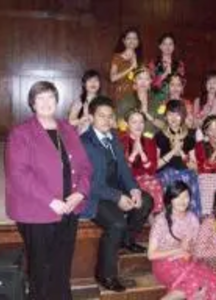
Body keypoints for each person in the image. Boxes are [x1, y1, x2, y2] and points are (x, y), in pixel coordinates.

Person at [5, 81, 92, 300]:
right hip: (36, 211)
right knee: (41, 268)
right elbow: (19, 175)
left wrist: (80, 193)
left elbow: (85, 167)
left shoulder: (67, 129)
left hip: (69, 208)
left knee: (62, 263)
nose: (46, 103)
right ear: (32, 104)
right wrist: (52, 201)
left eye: (50, 97)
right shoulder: (20, 133)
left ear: (56, 100)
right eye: (40, 98)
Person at [80, 96, 153, 292]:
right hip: (92, 195)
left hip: (113, 189)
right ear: (91, 117)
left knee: (145, 201)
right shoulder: (85, 143)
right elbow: (90, 184)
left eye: (109, 116)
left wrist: (133, 189)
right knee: (116, 222)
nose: (105, 120)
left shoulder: (113, 137)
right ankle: (105, 274)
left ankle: (127, 241)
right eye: (101, 116)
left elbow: (123, 169)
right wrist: (117, 197)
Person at [148, 181, 216, 300]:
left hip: (188, 261)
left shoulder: (192, 217)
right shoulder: (161, 220)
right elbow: (151, 255)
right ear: (170, 199)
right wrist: (177, 250)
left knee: (212, 281)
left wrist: (191, 248)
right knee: (196, 284)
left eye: (186, 197)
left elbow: (198, 246)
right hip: (165, 263)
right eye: (178, 197)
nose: (183, 201)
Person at [155, 100, 202, 217]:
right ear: (165, 116)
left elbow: (195, 166)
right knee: (173, 175)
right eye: (170, 114)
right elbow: (155, 166)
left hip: (185, 171)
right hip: (166, 172)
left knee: (189, 176)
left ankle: (191, 218)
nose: (174, 118)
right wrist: (172, 152)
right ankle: (170, 217)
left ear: (183, 116)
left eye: (177, 114)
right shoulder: (159, 136)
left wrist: (181, 152)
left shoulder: (190, 136)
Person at [120, 108, 164, 214]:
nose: (138, 125)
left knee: (154, 184)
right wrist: (134, 153)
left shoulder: (149, 141)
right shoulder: (121, 141)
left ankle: (156, 218)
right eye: (134, 122)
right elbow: (120, 169)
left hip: (146, 178)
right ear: (127, 124)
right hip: (127, 179)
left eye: (141, 122)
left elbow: (152, 170)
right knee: (148, 187)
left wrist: (143, 155)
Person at [116, 67, 165, 137]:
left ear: (150, 81)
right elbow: (117, 121)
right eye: (140, 78)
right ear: (135, 80)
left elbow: (164, 125)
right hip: (130, 140)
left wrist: (150, 117)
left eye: (146, 79)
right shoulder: (126, 100)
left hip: (152, 140)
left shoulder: (157, 101)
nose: (143, 82)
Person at [148, 33, 185, 102]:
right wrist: (164, 75)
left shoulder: (179, 64)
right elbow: (150, 85)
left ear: (174, 47)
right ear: (160, 46)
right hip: (157, 98)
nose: (168, 47)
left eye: (170, 44)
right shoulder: (153, 63)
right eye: (165, 44)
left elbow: (182, 84)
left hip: (174, 98)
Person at [110, 27, 143, 101]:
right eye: (129, 38)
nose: (132, 41)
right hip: (121, 95)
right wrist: (131, 68)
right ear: (124, 41)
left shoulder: (141, 58)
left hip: (137, 95)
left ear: (138, 41)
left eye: (135, 38)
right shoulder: (117, 57)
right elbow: (113, 78)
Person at [68, 69, 102, 134]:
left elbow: (112, 122)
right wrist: (82, 119)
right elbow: (71, 122)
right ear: (84, 84)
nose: (93, 83)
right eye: (89, 80)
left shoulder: (104, 102)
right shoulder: (79, 102)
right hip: (84, 136)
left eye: (96, 80)